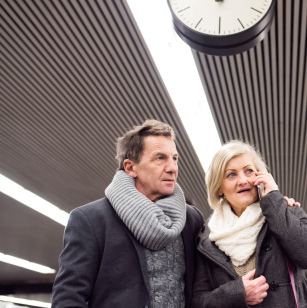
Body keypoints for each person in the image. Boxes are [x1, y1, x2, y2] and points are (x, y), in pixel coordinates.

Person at [51, 120, 204, 307]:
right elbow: (68, 298)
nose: (172, 167)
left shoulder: (191, 220)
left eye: (174, 158)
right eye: (160, 158)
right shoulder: (90, 220)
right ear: (131, 168)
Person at [192, 140, 307, 307]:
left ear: (261, 176)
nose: (243, 180)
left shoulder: (287, 211)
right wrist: (236, 294)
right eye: (231, 174)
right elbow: (197, 301)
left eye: (249, 171)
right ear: (219, 187)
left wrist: (274, 202)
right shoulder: (207, 238)